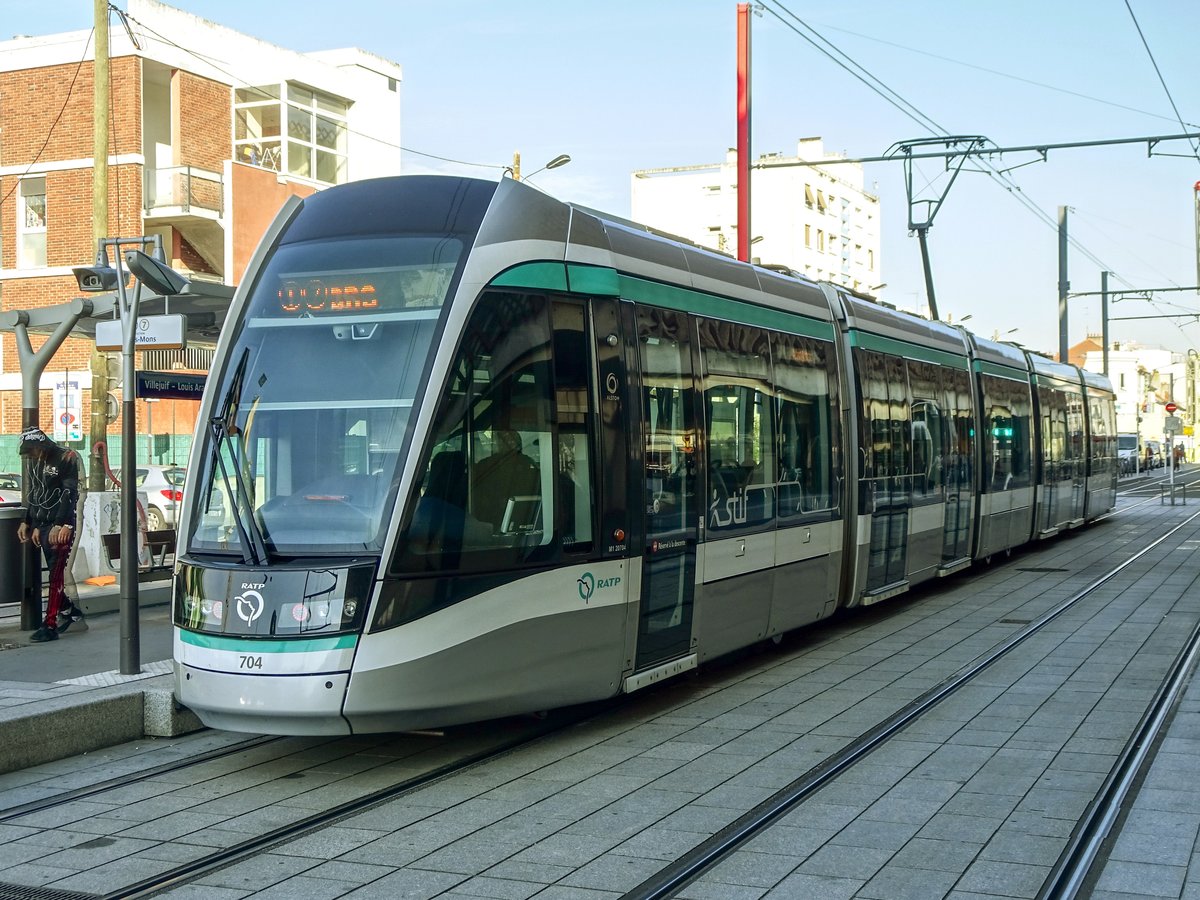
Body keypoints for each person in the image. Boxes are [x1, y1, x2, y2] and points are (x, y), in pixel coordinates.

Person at [16, 426, 86, 641]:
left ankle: (50, 624)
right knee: (54, 574)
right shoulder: (35, 461)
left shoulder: (67, 457)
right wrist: (29, 522)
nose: (31, 455)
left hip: (61, 524)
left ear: (41, 445)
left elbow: (70, 493)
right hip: (44, 523)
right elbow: (35, 492)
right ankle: (71, 612)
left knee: (56, 575)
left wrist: (63, 524)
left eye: (33, 450)